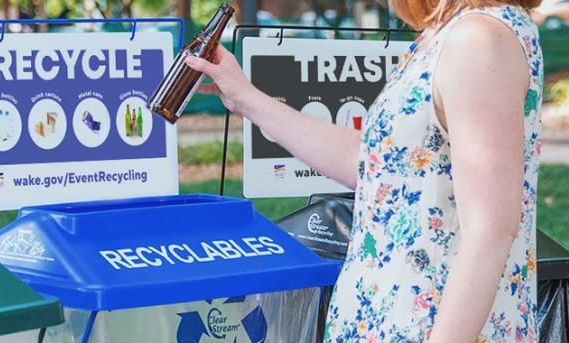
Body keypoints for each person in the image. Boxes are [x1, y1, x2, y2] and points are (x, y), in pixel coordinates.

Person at [185, 0, 543, 341]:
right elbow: (378, 166)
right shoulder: (448, 34)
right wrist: (244, 98)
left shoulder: (478, 39)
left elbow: (490, 230)